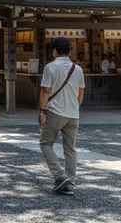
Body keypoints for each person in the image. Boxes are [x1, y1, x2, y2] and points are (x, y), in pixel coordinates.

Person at [39, 37, 85, 196]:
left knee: (45, 143)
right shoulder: (77, 69)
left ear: (54, 50)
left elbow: (45, 91)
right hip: (73, 114)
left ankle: (60, 176)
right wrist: (74, 107)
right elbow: (81, 92)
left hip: (55, 112)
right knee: (70, 149)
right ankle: (69, 183)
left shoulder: (50, 67)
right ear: (69, 50)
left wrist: (41, 111)